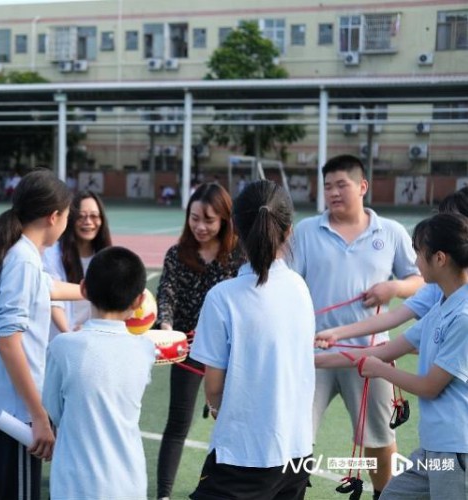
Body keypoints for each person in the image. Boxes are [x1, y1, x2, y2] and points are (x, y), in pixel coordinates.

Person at [290, 154, 423, 497]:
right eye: (328, 186)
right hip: (314, 353)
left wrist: (393, 287)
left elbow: (420, 281)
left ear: (362, 186)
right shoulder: (306, 231)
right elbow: (286, 283)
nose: (333, 193)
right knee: (295, 433)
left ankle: (386, 495)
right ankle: (288, 491)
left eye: (341, 185)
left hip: (372, 356)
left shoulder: (390, 232)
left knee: (379, 439)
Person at [316, 212, 468, 499]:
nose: (415, 263)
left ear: (440, 258)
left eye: (419, 254)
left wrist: (380, 369)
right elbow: (383, 351)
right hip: (435, 446)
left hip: (457, 450)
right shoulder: (441, 307)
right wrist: (311, 359)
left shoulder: (463, 316)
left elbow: (429, 387)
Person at [190, 179, 316, 499]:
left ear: (234, 228)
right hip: (297, 451)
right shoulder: (300, 287)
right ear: (289, 231)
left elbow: (213, 388)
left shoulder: (223, 298)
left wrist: (218, 407)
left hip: (242, 455)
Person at [0, 169, 82, 500]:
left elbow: (48, 288)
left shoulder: (17, 253)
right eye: (68, 216)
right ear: (54, 216)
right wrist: (38, 415)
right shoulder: (23, 260)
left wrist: (92, 291)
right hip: (12, 417)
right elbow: (8, 343)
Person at [42, 246, 155, 499]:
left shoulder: (62, 346)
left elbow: (53, 407)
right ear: (139, 300)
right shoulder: (145, 350)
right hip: (130, 482)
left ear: (83, 289)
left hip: (75, 484)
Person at [155, 182, 244, 500]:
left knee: (230, 421)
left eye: (209, 219)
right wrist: (166, 326)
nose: (200, 226)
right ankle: (163, 494)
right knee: (177, 422)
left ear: (224, 219)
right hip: (187, 351)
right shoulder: (178, 255)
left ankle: (224, 486)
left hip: (229, 352)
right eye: (194, 218)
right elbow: (166, 293)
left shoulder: (238, 255)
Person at [315, 187, 468, 349]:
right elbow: (395, 318)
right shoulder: (438, 289)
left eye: (450, 222)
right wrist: (337, 334)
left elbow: (435, 369)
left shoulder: (461, 310)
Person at [43, 190, 112, 340]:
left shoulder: (107, 256)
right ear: (71, 219)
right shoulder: (53, 253)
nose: (88, 222)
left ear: (102, 220)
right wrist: (70, 334)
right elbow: (54, 300)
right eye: (81, 216)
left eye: (94, 216)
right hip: (61, 340)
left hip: (94, 338)